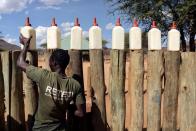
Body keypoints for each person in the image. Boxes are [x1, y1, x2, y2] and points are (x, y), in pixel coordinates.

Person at [17, 34, 84, 131]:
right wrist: (68, 107)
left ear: (54, 63)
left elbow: (20, 62)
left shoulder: (44, 76)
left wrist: (26, 46)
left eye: (50, 59)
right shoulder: (75, 85)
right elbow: (80, 113)